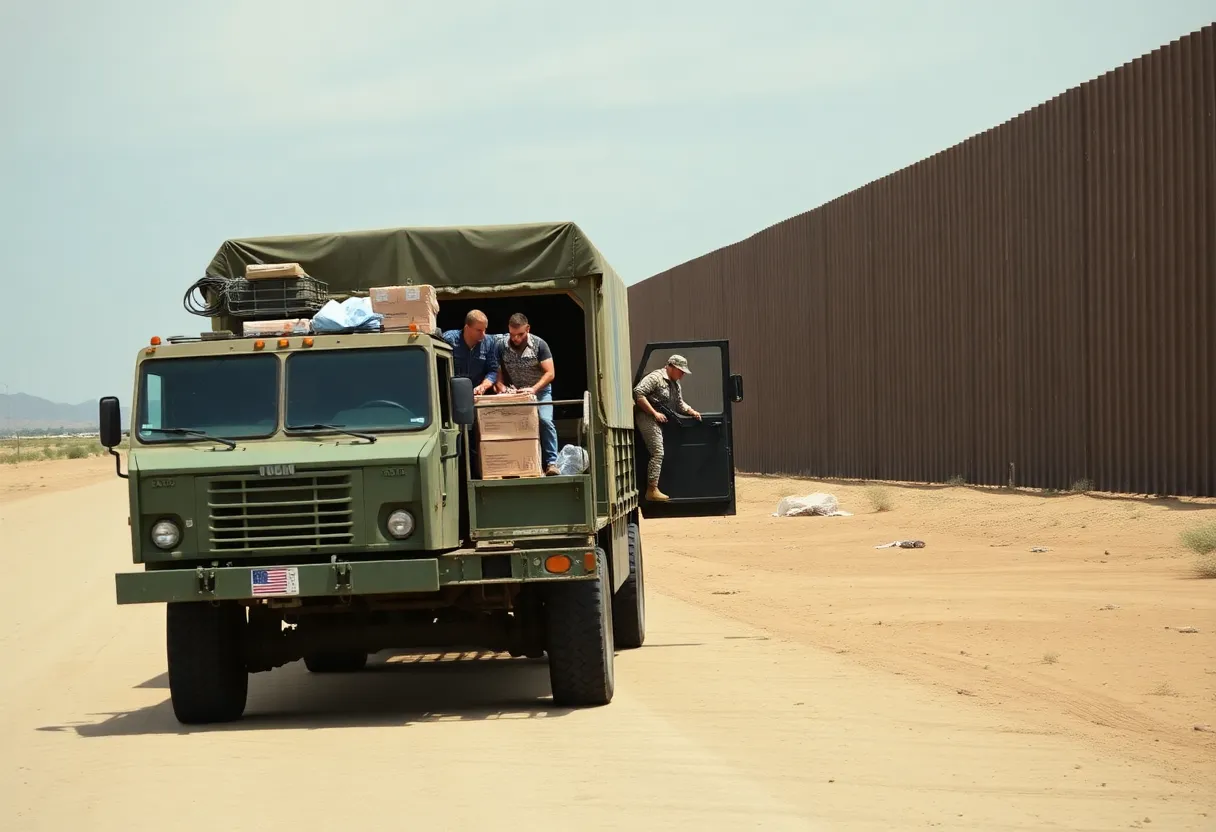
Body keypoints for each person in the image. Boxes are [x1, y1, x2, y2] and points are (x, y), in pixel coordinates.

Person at [496, 313, 559, 476]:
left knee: (545, 420)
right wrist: (502, 388)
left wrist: (534, 389)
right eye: (512, 334)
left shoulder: (539, 345)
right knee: (515, 427)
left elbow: (550, 373)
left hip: (540, 391)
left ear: (528, 329)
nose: (516, 338)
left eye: (520, 334)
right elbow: (497, 375)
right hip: (516, 393)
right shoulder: (501, 346)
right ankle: (518, 465)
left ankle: (552, 463)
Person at [633, 354, 701, 502]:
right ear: (672, 367)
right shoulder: (656, 377)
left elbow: (679, 404)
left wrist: (692, 412)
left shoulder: (675, 384)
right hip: (647, 417)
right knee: (658, 452)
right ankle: (651, 489)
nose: (682, 375)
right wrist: (654, 413)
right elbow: (638, 393)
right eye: (681, 371)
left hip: (660, 419)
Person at [441, 310, 499, 396]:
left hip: (478, 394)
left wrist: (483, 386)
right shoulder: (449, 340)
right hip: (453, 394)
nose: (483, 334)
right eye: (479, 330)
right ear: (467, 328)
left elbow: (493, 371)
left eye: (484, 330)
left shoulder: (489, 342)